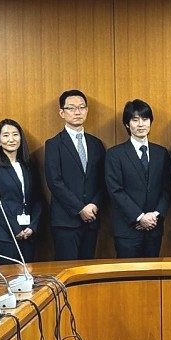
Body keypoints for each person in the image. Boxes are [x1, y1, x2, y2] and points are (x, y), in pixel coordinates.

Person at [44, 89, 106, 261]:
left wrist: (94, 205)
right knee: (67, 269)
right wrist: (80, 208)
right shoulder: (53, 144)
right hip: (65, 221)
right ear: (62, 113)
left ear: (87, 110)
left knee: (87, 269)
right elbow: (54, 182)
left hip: (92, 218)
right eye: (71, 108)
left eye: (81, 107)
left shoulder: (96, 144)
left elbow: (103, 180)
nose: (77, 112)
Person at [105, 99, 171, 258]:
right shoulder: (115, 154)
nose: (141, 124)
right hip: (127, 229)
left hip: (154, 228)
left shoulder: (161, 153)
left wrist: (155, 216)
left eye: (145, 119)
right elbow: (115, 190)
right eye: (135, 120)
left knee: (153, 272)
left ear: (150, 122)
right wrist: (140, 217)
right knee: (127, 272)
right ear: (127, 124)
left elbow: (167, 189)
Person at [0, 119, 42, 263]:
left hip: (27, 235)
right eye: (6, 135)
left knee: (27, 276)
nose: (11, 139)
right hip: (4, 236)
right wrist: (15, 228)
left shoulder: (27, 164)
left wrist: (32, 226)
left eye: (15, 134)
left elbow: (37, 198)